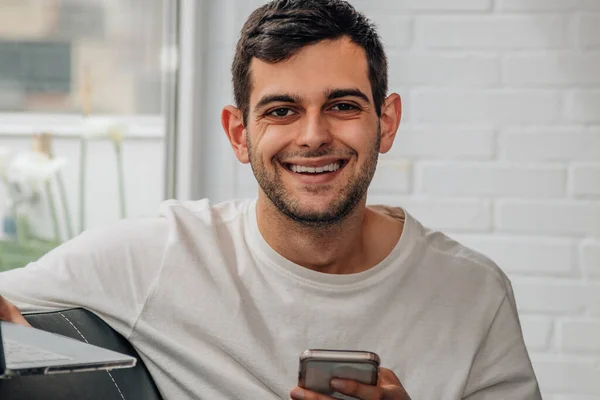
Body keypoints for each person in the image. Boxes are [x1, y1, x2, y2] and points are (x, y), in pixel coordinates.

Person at [0, 1, 541, 399]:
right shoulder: (165, 256)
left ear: (387, 121)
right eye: (281, 110)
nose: (312, 136)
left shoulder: (473, 293)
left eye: (344, 105)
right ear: (239, 134)